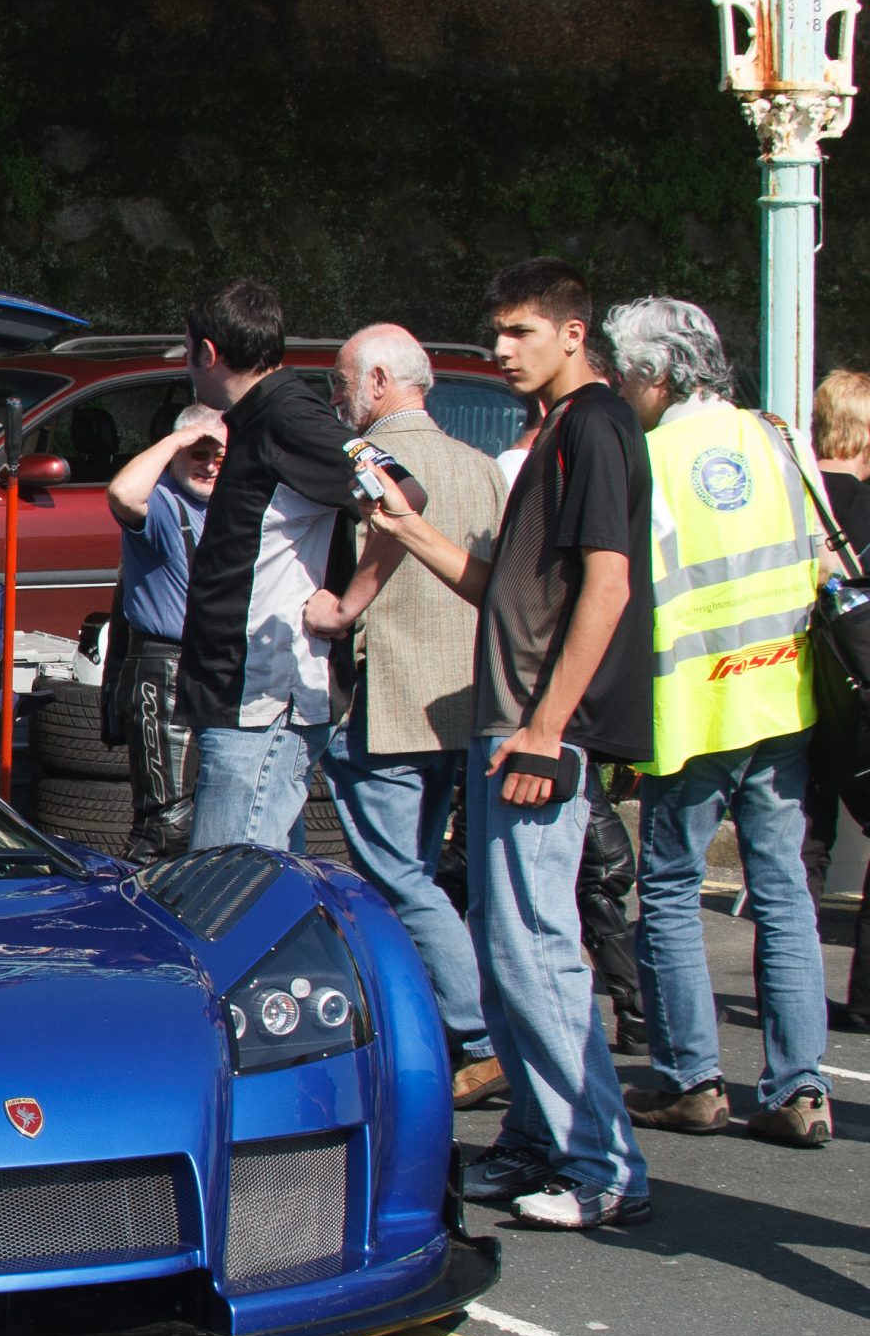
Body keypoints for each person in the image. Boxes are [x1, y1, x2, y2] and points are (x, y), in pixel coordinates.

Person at [369, 258, 653, 1229]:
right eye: (494, 332)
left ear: (573, 334)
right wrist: (408, 531)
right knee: (505, 943)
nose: (499, 350)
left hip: (542, 730)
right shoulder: (557, 434)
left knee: (536, 947)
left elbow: (605, 586)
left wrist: (542, 727)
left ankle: (603, 1164)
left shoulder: (597, 428)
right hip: (509, 724)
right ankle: (539, 1138)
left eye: (519, 331)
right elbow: (508, 591)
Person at [603, 297, 832, 1147]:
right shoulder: (774, 436)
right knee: (783, 893)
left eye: (626, 374)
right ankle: (801, 1087)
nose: (623, 389)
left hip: (695, 704)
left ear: (657, 375)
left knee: (667, 888)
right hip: (783, 693)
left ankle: (691, 1075)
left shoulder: (649, 456)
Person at [300, 325, 508, 1107]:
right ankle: (451, 1025)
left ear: (380, 379)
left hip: (388, 697)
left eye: (341, 379)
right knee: (420, 873)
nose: (336, 396)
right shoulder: (485, 468)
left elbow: (394, 518)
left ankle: (480, 1028)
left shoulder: (370, 458)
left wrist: (343, 608)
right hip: (461, 700)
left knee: (400, 876)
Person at [177, 278, 417, 851]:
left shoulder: (288, 413)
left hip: (264, 699)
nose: (186, 366)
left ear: (208, 352)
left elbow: (402, 495)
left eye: (187, 352)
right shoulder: (257, 415)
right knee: (266, 893)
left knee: (229, 889)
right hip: (236, 694)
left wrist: (348, 604)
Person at [101, 402, 226, 860]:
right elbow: (122, 495)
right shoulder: (162, 503)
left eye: (220, 456)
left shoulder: (234, 506)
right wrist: (178, 439)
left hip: (221, 668)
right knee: (167, 825)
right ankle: (132, 914)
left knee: (216, 815)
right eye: (200, 453)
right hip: (164, 671)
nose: (210, 465)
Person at [804, 367, 870, 1030]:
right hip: (860, 692)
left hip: (796, 684)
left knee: (802, 844)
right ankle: (864, 997)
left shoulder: (798, 489)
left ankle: (789, 990)